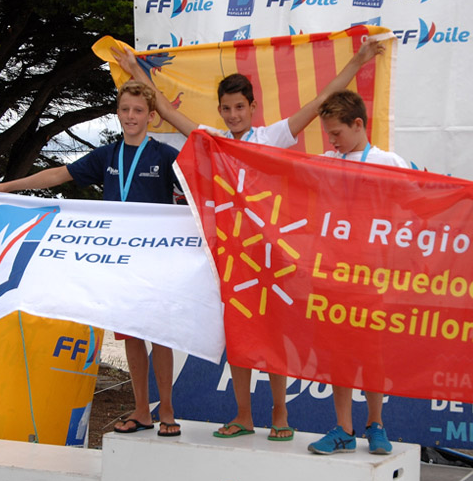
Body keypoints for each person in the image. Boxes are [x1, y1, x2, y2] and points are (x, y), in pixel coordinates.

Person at [115, 38, 384, 442]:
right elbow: (167, 111)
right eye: (227, 108)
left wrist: (359, 59)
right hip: (229, 254)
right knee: (238, 336)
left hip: (270, 253)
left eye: (240, 107)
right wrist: (137, 70)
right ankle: (244, 416)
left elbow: (319, 102)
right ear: (220, 111)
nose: (234, 114)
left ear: (252, 108)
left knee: (270, 334)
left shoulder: (272, 137)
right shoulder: (212, 139)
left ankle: (280, 413)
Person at [0, 80, 183, 437]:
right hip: (117, 260)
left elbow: (198, 186)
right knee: (132, 336)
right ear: (117, 113)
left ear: (152, 116)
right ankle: (141, 409)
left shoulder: (165, 156)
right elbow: (59, 174)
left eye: (138, 111)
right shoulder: (107, 155)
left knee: (158, 334)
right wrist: (8, 187)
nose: (131, 117)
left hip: (154, 262)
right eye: (125, 110)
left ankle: (166, 409)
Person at [307, 90, 407, 456]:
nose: (332, 140)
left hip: (373, 276)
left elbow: (418, 209)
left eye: (336, 133)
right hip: (332, 273)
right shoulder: (326, 163)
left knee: (372, 353)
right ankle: (343, 428)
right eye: (328, 135)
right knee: (339, 353)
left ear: (358, 124)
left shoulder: (389, 162)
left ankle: (376, 424)